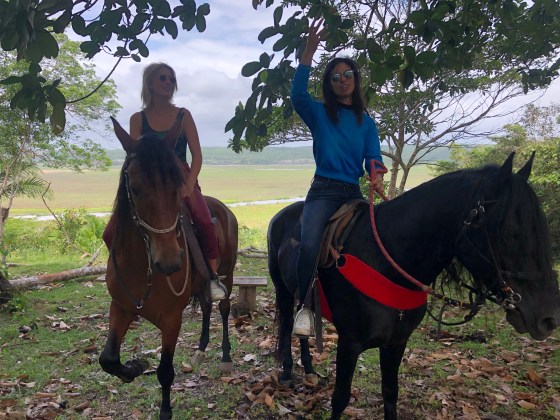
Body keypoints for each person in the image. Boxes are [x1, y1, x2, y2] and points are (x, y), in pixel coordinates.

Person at [103, 62, 227, 302]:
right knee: (110, 232)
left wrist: (189, 185)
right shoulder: (137, 118)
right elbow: (137, 155)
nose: (168, 82)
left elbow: (197, 155)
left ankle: (212, 277)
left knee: (204, 221)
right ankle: (126, 274)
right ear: (149, 83)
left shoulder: (183, 115)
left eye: (171, 79)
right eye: (162, 78)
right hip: (150, 180)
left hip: (178, 176)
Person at [291, 20, 384, 337]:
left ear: (355, 80)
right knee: (309, 246)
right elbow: (297, 95)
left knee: (377, 240)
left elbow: (373, 157)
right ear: (329, 84)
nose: (342, 80)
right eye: (335, 77)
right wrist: (308, 53)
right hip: (324, 191)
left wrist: (376, 176)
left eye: (347, 75)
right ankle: (304, 307)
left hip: (352, 192)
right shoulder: (318, 113)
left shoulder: (366, 122)